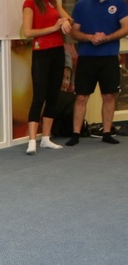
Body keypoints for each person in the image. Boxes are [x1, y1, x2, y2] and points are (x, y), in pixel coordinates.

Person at [65, 0, 128, 146]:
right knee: (81, 96)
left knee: (109, 95)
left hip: (109, 57)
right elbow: (74, 31)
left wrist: (107, 38)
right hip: (86, 57)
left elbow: (126, 28)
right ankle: (76, 133)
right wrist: (90, 37)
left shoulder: (119, 3)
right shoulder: (81, 4)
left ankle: (107, 133)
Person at [22, 0, 72, 155]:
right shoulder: (30, 3)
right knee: (39, 96)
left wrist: (65, 20)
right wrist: (54, 27)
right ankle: (32, 140)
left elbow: (71, 21)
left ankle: (46, 138)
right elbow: (28, 32)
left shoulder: (54, 3)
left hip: (58, 52)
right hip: (41, 52)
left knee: (53, 96)